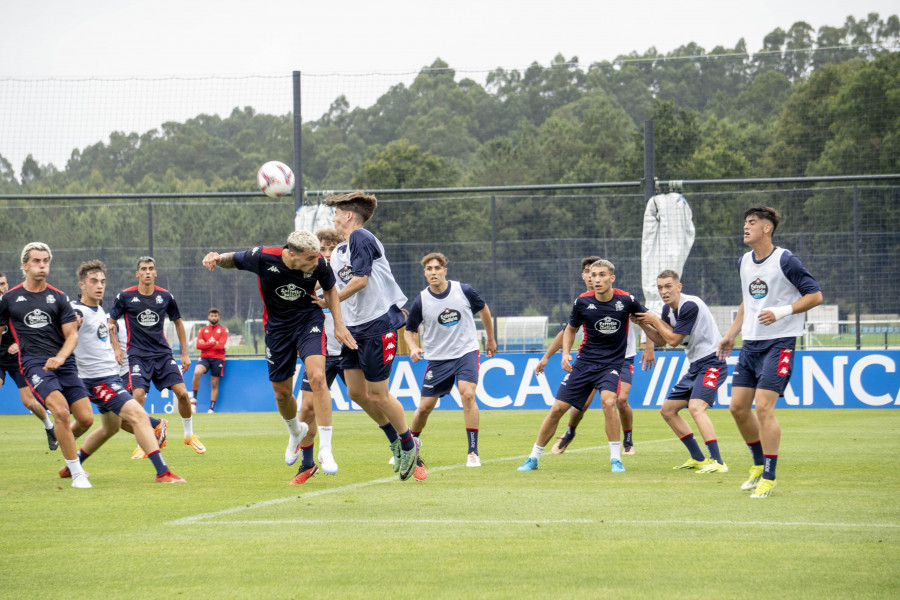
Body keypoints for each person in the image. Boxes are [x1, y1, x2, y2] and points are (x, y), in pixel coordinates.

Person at [202, 230, 355, 484]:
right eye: (310, 258)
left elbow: (331, 291)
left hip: (309, 321)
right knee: (282, 394)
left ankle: (325, 449)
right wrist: (216, 258)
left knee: (318, 378)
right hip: (277, 330)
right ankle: (295, 432)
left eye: (317, 257)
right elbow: (234, 259)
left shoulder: (320, 264)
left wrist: (338, 325)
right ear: (291, 254)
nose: (316, 262)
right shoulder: (264, 257)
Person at [717, 206, 822, 498]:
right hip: (751, 343)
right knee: (738, 408)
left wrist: (782, 311)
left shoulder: (785, 260)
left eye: (751, 222)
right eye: (744, 222)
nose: (745, 227)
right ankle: (757, 463)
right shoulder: (743, 262)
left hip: (780, 341)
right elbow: (747, 302)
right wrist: (730, 334)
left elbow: (815, 295)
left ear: (767, 229)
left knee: (763, 407)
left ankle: (769, 476)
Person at [518, 259, 650, 473]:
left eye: (601, 275)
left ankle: (616, 458)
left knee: (610, 403)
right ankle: (533, 457)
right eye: (593, 274)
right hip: (584, 363)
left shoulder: (626, 300)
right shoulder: (582, 301)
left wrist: (652, 342)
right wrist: (566, 353)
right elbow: (570, 329)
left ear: (611, 278)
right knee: (557, 409)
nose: (596, 279)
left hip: (612, 364)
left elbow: (646, 319)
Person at [325, 190, 420, 481]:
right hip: (354, 329)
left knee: (378, 394)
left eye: (338, 211)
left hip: (377, 325)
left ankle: (408, 443)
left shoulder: (361, 237)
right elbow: (335, 290)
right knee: (356, 392)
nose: (334, 216)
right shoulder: (341, 250)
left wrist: (333, 300)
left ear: (349, 215)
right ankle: (394, 437)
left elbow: (361, 280)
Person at [64, 261, 185, 483]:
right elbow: (70, 325)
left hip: (108, 377)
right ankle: (163, 472)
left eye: (102, 281)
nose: (99, 285)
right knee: (139, 416)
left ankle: (72, 463)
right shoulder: (77, 310)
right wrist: (73, 324)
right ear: (81, 285)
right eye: (93, 281)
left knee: (111, 428)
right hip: (98, 381)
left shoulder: (99, 310)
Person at [0, 243, 94, 488]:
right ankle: (76, 473)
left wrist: (62, 357)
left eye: (45, 261)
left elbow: (72, 335)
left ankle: (63, 440)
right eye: (36, 261)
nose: (42, 266)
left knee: (85, 419)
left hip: (64, 362)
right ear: (25, 265)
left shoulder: (58, 296)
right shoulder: (9, 299)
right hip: (34, 364)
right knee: (61, 412)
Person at [404, 252, 497, 467]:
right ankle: (407, 446)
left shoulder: (463, 291)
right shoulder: (421, 300)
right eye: (429, 269)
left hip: (466, 352)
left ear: (445, 271)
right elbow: (409, 330)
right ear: (425, 273)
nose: (433, 272)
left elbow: (484, 310)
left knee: (467, 393)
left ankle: (472, 452)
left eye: (437, 268)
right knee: (425, 407)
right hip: (438, 358)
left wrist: (490, 339)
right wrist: (413, 347)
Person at [108, 256, 205, 458]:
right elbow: (111, 323)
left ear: (156, 272)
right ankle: (143, 444)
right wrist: (117, 348)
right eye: (143, 269)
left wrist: (185, 354)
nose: (147, 272)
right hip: (137, 356)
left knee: (183, 394)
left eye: (151, 268)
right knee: (138, 397)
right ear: (137, 274)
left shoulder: (165, 297)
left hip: (162, 354)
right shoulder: (125, 297)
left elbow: (178, 323)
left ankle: (189, 435)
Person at [635, 270, 729, 473]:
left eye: (668, 286)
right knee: (668, 410)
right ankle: (697, 458)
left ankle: (718, 462)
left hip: (713, 362)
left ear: (679, 287)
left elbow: (673, 340)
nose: (663, 291)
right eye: (660, 287)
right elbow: (662, 340)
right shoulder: (667, 311)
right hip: (696, 365)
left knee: (696, 407)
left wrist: (653, 319)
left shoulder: (689, 305)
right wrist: (644, 323)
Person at [292, 228, 346, 484]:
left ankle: (404, 444)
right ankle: (307, 464)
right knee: (306, 409)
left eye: (331, 249)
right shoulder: (308, 276)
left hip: (349, 348)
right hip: (320, 352)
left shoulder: (349, 275)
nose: (326, 254)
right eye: (321, 250)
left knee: (374, 398)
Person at [0, 270, 58, 450]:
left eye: (3, 284)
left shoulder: (14, 303)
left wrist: (19, 343)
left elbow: (31, 327)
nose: (2, 288)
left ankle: (49, 426)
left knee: (29, 402)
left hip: (16, 358)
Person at [192, 307, 228, 413]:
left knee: (214, 383)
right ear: (208, 317)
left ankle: (211, 408)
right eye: (212, 315)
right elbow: (198, 345)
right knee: (197, 372)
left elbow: (220, 346)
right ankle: (194, 399)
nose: (213, 317)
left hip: (218, 358)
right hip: (205, 357)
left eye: (215, 315)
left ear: (218, 317)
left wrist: (206, 344)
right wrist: (213, 343)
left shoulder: (223, 330)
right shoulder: (203, 330)